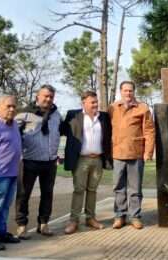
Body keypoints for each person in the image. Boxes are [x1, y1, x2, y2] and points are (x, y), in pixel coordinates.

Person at [15, 85, 62, 238]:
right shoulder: (24, 114)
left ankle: (43, 224)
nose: (48, 99)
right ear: (37, 96)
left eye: (51, 97)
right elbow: (13, 134)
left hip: (49, 162)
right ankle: (22, 226)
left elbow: (58, 133)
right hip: (29, 161)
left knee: (47, 194)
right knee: (23, 194)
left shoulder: (56, 115)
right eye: (45, 96)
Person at [62, 91, 112, 234]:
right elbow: (63, 131)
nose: (95, 105)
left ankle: (90, 218)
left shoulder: (103, 117)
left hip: (98, 160)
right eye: (92, 102)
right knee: (79, 190)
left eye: (96, 102)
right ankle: (73, 220)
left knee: (92, 190)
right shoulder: (73, 115)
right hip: (81, 160)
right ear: (83, 103)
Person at [108, 81, 155, 229]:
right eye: (125, 91)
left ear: (134, 92)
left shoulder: (142, 108)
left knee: (135, 188)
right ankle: (119, 216)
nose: (128, 93)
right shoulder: (113, 108)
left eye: (130, 91)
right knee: (118, 187)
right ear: (120, 92)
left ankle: (135, 216)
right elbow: (107, 129)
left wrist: (148, 152)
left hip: (136, 153)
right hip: (117, 153)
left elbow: (149, 131)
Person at [0, 95, 22, 250]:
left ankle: (2, 233)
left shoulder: (14, 124)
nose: (12, 109)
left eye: (14, 106)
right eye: (8, 106)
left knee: (5, 206)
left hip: (12, 173)